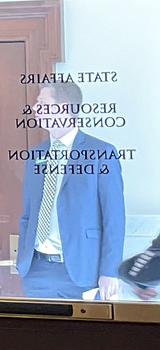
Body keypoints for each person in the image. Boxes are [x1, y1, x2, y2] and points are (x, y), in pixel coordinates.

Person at [16, 81, 125, 299]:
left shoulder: (101, 152)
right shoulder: (36, 154)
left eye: (42, 103)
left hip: (82, 271)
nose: (35, 109)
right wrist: (23, 261)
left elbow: (114, 218)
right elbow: (28, 213)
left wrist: (110, 271)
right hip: (36, 271)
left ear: (63, 108)